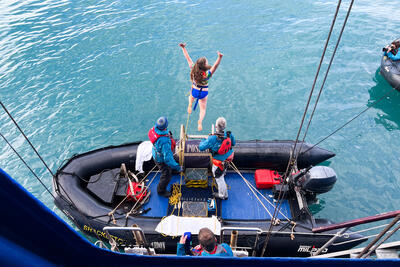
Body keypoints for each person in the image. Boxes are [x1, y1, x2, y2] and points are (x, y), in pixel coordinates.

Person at [179, 43, 223, 131]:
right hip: (203, 93)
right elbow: (215, 66)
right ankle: (200, 121)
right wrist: (219, 57)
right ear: (205, 66)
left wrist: (183, 48)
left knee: (191, 96)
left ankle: (190, 104)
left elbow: (187, 58)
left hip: (195, 90)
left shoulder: (193, 69)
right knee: (202, 109)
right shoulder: (207, 74)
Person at [199, 117, 235, 199]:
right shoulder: (229, 134)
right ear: (224, 127)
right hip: (228, 158)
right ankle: (224, 172)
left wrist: (203, 140)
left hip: (219, 162)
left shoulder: (212, 138)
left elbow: (201, 147)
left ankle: (223, 195)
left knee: (219, 178)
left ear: (216, 127)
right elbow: (233, 143)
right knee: (223, 169)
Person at [148, 116, 184, 197]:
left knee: (173, 163)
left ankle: (174, 170)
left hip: (156, 153)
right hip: (161, 159)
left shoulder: (154, 129)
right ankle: (161, 191)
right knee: (166, 175)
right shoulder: (164, 141)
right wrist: (178, 167)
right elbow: (167, 159)